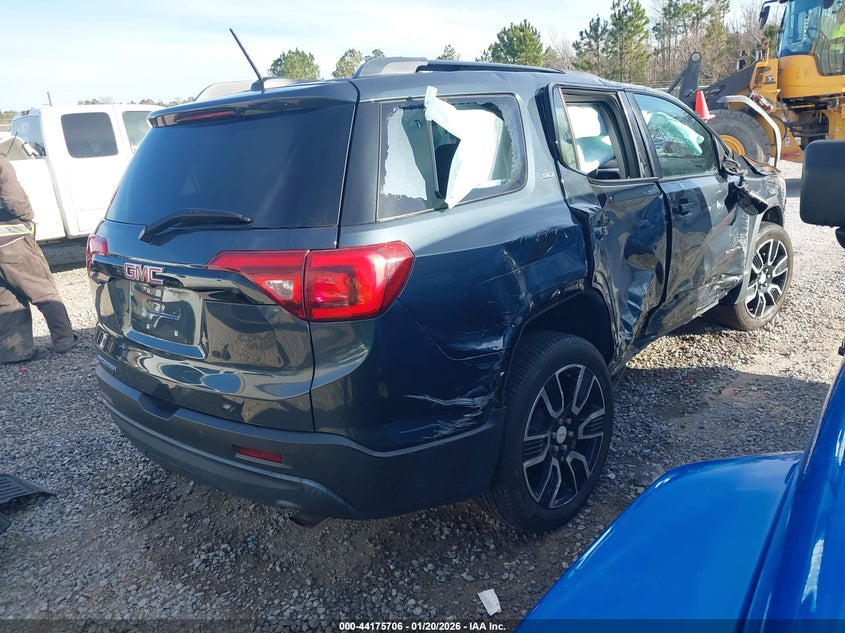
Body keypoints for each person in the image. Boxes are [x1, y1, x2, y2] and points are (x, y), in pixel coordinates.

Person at [0, 153, 77, 363]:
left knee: (7, 298)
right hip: (10, 241)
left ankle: (15, 352)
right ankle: (64, 341)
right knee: (43, 291)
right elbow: (14, 201)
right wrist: (27, 215)